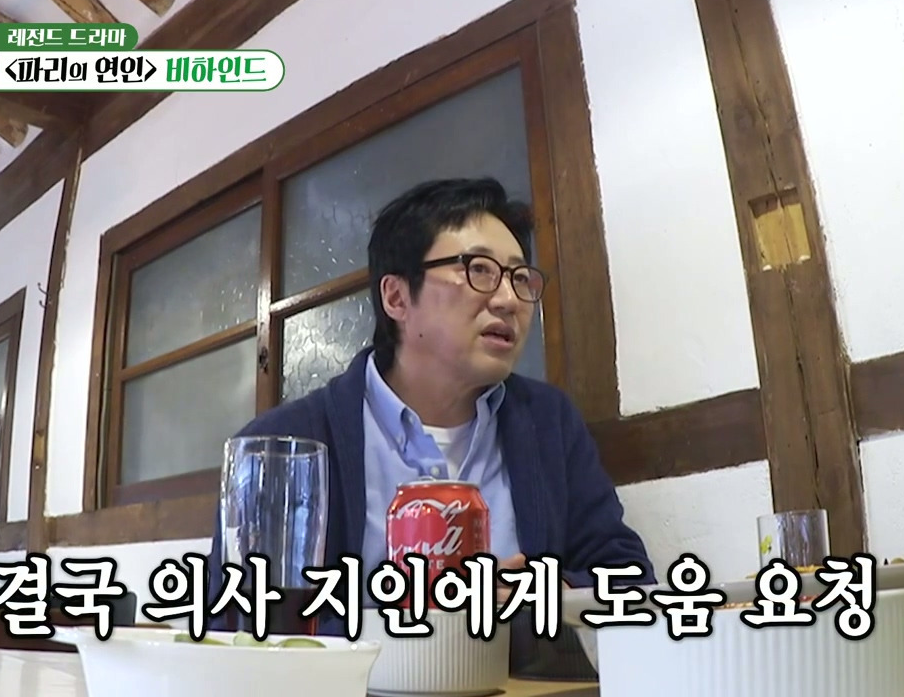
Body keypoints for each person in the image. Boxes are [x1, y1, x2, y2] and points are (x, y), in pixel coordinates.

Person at [206, 177, 654, 634]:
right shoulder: (283, 445)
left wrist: (549, 595)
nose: (508, 300)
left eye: (520, 278)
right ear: (397, 297)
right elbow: (230, 621)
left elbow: (628, 576)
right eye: (479, 270)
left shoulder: (548, 421)